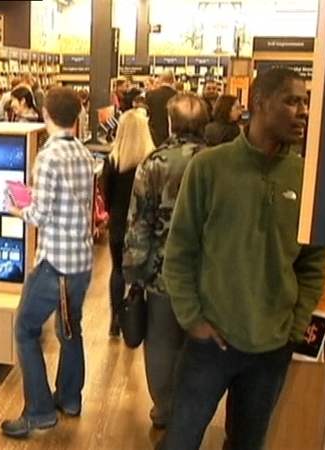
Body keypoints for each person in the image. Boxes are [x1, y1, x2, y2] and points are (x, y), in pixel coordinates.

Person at [159, 67, 325, 450]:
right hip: (210, 343)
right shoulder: (209, 168)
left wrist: (294, 324)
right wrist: (193, 319)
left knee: (248, 444)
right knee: (181, 441)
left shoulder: (306, 179)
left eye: (305, 102)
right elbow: (180, 250)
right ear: (260, 104)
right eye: (291, 101)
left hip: (271, 348)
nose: (302, 111)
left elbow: (313, 263)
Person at [0, 87, 94, 439]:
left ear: (46, 114)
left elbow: (39, 214)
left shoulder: (48, 156)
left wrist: (16, 208)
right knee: (70, 329)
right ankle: (69, 398)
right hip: (81, 262)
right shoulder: (83, 154)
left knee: (25, 329)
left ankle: (38, 411)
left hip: (55, 263)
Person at [122, 92, 209, 430]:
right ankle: (193, 415)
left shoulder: (154, 163)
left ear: (171, 122)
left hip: (162, 273)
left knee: (161, 345)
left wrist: (133, 271)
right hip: (208, 275)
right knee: (200, 349)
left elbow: (139, 221)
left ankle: (163, 411)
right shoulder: (217, 161)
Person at [102, 108, 156, 338]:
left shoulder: (113, 161)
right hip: (144, 225)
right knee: (143, 272)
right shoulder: (153, 161)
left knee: (117, 270)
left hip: (118, 224)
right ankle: (138, 321)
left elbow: (106, 196)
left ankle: (114, 321)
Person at [146, 70, 178, 147]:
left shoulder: (150, 95)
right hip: (172, 135)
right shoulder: (178, 96)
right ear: (173, 80)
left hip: (153, 134)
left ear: (161, 79)